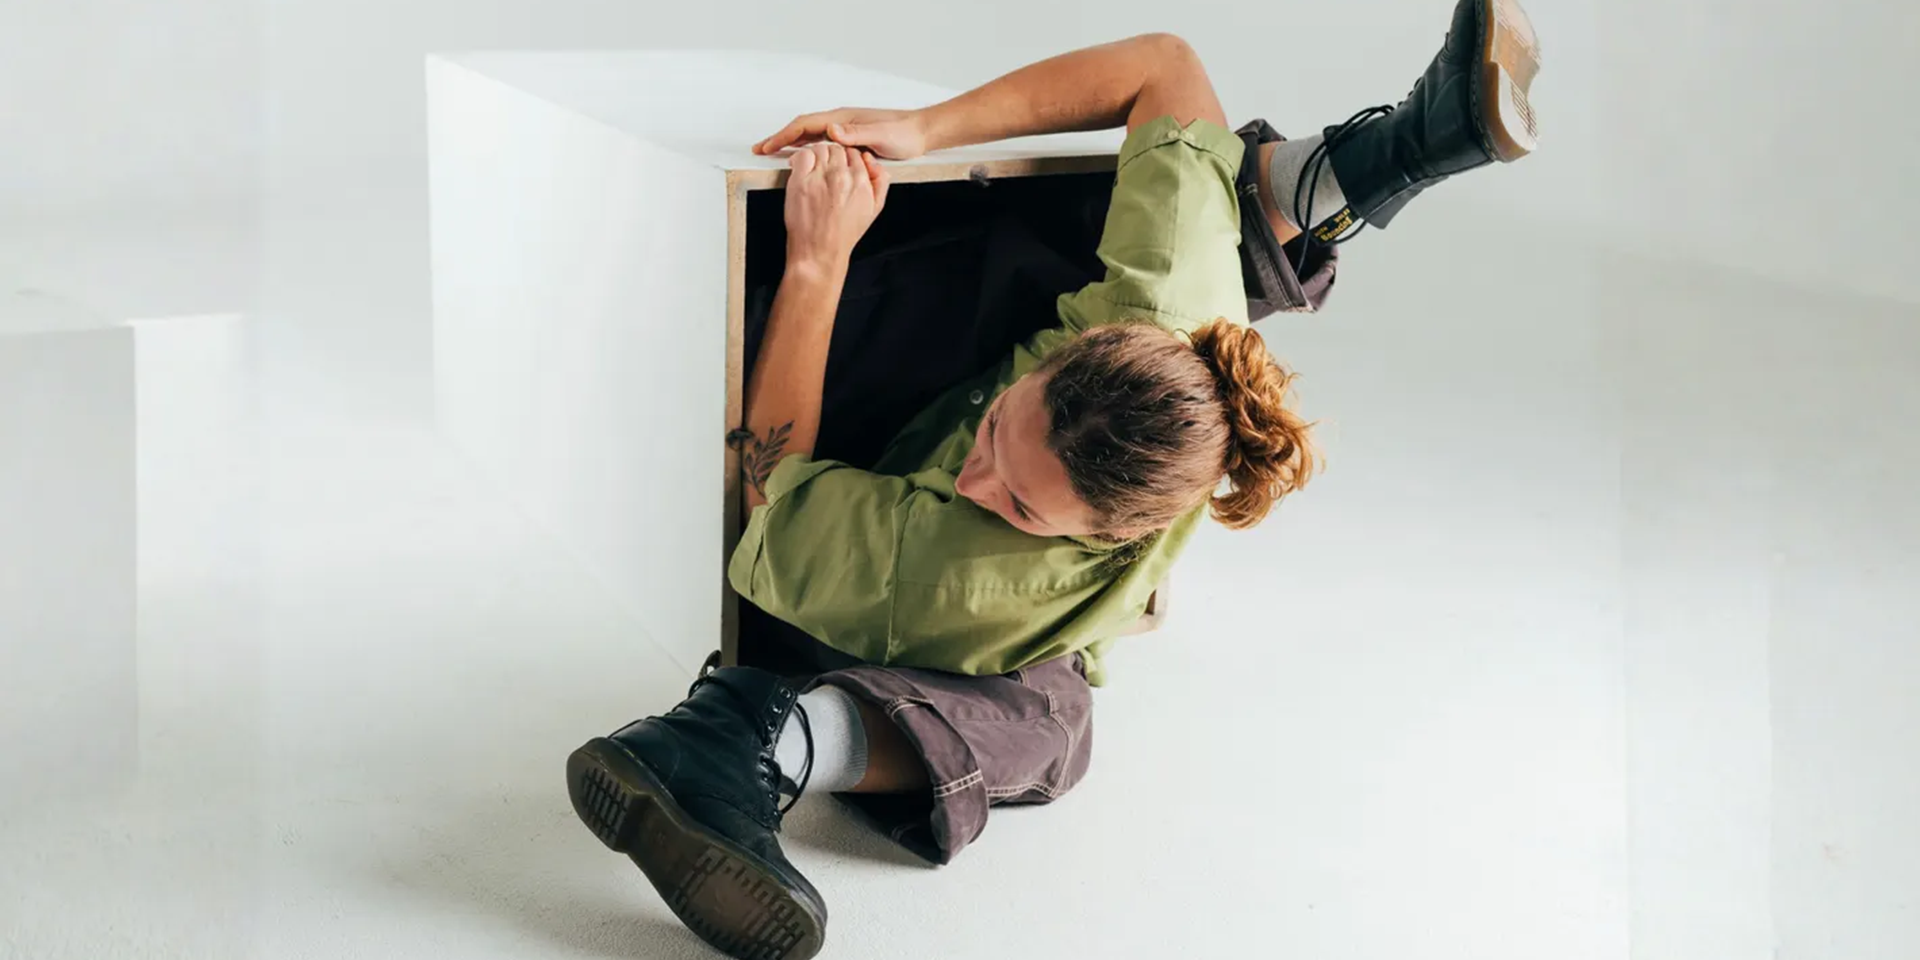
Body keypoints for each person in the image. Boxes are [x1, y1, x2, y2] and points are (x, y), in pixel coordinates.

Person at [565, 2, 1540, 958]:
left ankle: (752, 738)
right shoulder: (1173, 310)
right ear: (1092, 343)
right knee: (1149, 202)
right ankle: (1375, 158)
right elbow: (1163, 63)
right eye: (998, 434)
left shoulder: (962, 565)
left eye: (1022, 504)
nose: (977, 484)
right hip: (928, 401)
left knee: (1048, 720)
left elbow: (773, 492)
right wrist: (923, 130)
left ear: (1109, 534)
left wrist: (818, 265)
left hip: (882, 510)